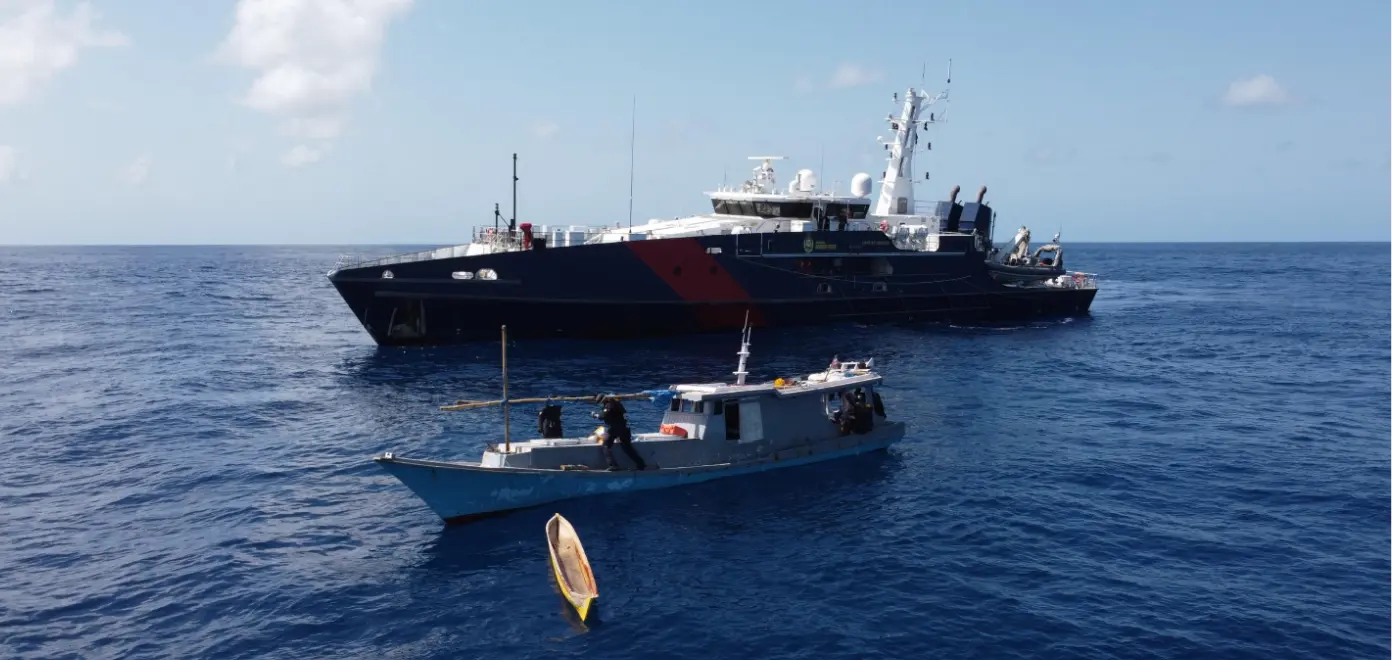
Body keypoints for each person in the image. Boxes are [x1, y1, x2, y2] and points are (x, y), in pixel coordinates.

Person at [593, 396, 647, 471]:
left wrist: (595, 415)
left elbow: (603, 416)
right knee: (627, 447)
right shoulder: (617, 404)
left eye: (599, 403)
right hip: (624, 428)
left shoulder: (608, 405)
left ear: (602, 401)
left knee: (606, 446)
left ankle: (613, 465)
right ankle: (641, 464)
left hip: (614, 429)